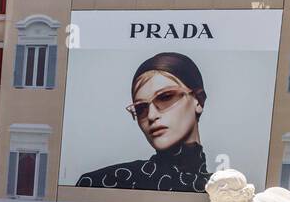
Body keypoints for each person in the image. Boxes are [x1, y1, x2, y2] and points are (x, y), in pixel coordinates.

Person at [75, 52, 212, 194]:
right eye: (141, 108)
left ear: (199, 100)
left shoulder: (226, 191)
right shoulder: (103, 182)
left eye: (166, 97)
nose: (151, 116)